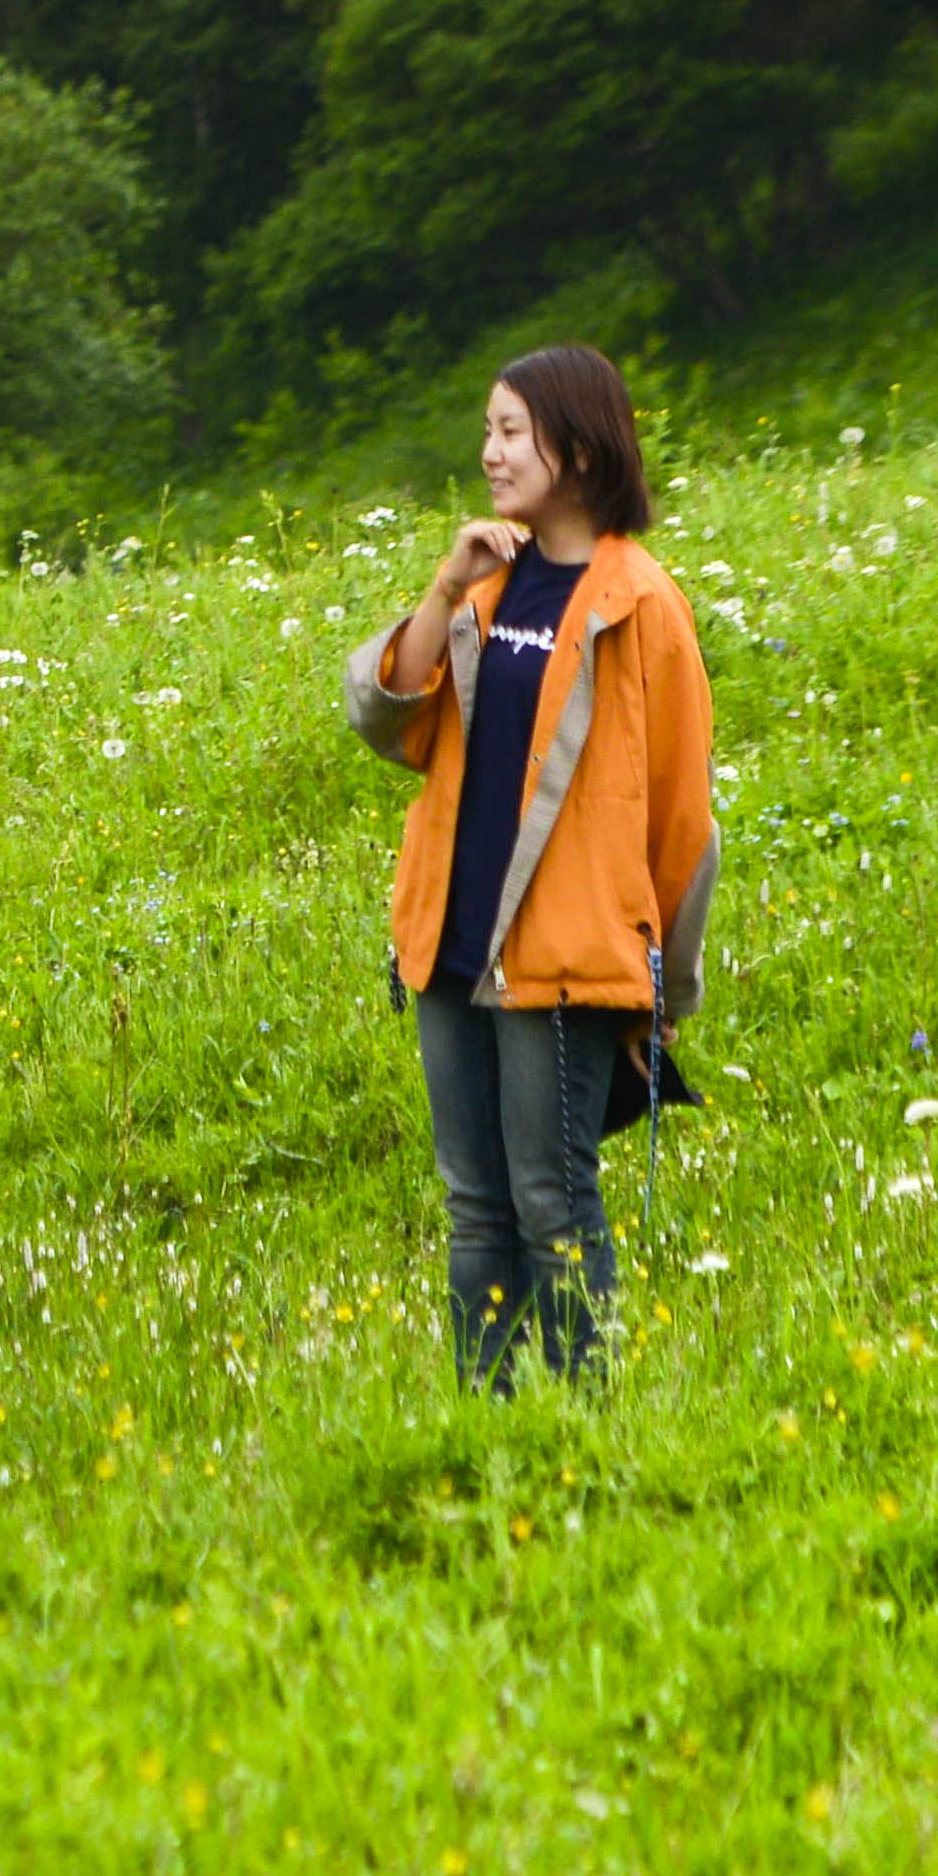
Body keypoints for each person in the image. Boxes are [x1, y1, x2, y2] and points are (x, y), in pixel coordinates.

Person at [341, 343, 716, 1395]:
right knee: (474, 1207)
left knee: (551, 1200)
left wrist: (664, 988)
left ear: (579, 445)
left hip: (565, 956)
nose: (489, 452)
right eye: (489, 430)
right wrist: (444, 582)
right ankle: (489, 1419)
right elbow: (387, 718)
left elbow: (683, 820)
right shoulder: (484, 580)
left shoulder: (638, 603)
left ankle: (587, 1421)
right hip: (450, 945)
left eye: (510, 430)